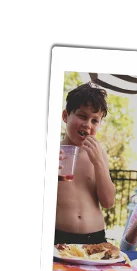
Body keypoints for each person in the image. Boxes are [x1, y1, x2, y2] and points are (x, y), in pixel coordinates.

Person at [55, 82, 115, 245]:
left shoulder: (99, 153)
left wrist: (98, 163)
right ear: (65, 116)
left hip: (95, 238)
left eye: (94, 120)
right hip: (58, 237)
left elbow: (108, 202)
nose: (87, 124)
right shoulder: (52, 151)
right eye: (82, 116)